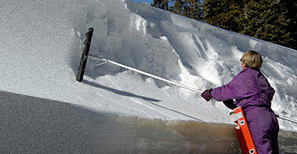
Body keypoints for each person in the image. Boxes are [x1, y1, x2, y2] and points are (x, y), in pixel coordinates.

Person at [201, 50, 279, 154]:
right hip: (270, 117)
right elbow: (254, 97)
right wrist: (235, 105)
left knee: (260, 151)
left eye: (242, 61)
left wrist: (210, 93)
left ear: (245, 63)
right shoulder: (261, 78)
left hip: (256, 118)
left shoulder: (246, 76)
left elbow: (227, 90)